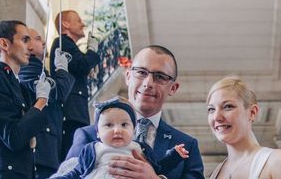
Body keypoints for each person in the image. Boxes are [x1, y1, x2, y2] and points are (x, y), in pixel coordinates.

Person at [65, 45, 205, 179]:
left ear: (173, 88)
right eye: (141, 72)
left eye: (160, 76)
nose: (148, 83)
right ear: (128, 77)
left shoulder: (187, 146)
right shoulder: (87, 136)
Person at [0, 20, 52, 178]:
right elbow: (13, 137)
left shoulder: (18, 85)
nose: (30, 47)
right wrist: (41, 101)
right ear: (4, 44)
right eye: (24, 40)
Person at [53, 99, 189, 178]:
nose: (117, 130)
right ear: (98, 133)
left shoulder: (139, 148)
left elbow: (158, 168)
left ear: (134, 129)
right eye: (109, 125)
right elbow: (77, 172)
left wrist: (174, 155)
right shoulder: (93, 149)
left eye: (124, 124)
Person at [207, 77, 281, 179]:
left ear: (252, 112)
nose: (216, 117)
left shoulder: (278, 161)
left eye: (228, 106)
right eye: (211, 109)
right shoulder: (214, 174)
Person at [19, 27, 75, 178]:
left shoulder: (39, 69)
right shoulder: (28, 69)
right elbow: (58, 93)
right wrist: (62, 70)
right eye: (37, 38)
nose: (43, 42)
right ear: (27, 45)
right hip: (42, 149)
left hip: (50, 148)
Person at [50, 10, 101, 157]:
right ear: (65, 24)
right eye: (78, 20)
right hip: (71, 110)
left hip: (74, 110)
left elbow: (79, 66)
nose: (83, 24)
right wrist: (91, 51)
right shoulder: (62, 43)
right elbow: (82, 64)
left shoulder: (68, 45)